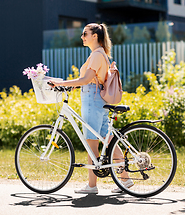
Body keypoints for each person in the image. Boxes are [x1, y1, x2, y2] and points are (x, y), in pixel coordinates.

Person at [50, 23, 133, 194]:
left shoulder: (96, 55)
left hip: (92, 99)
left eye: (85, 33)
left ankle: (92, 186)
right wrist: (75, 86)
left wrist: (62, 83)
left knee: (91, 142)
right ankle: (125, 179)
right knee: (107, 138)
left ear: (95, 35)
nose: (82, 37)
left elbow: (86, 79)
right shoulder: (100, 54)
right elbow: (92, 79)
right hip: (97, 98)